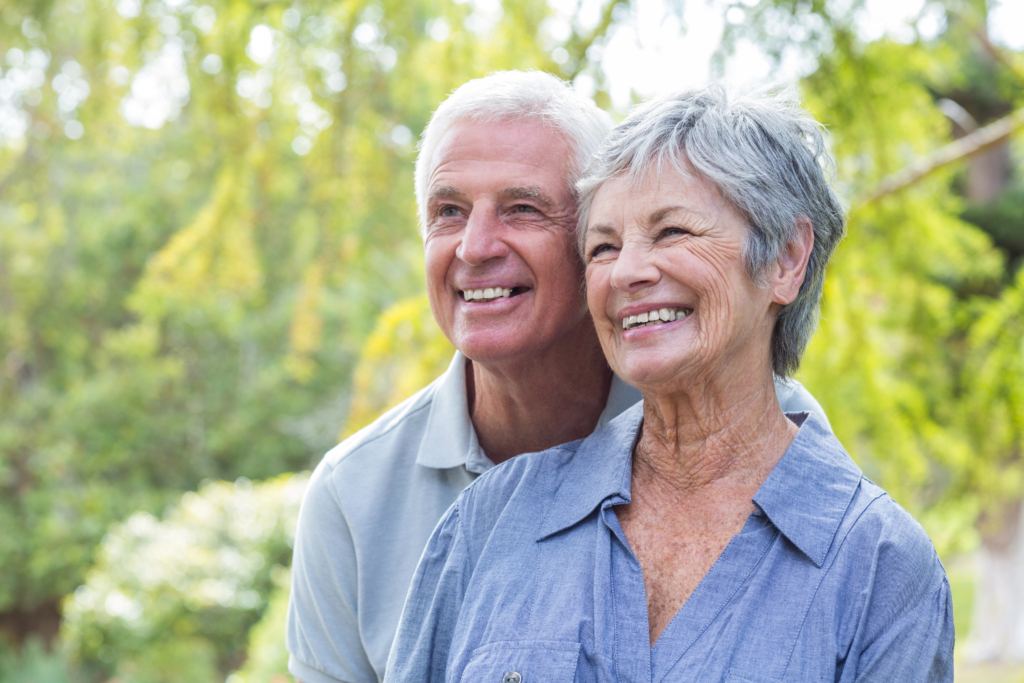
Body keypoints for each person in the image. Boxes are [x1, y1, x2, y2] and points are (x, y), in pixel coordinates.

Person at [385, 85, 953, 683]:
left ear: (785, 259)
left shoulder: (880, 567)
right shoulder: (492, 519)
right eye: (603, 247)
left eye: (672, 232)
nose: (627, 272)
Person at [286, 72, 830, 683]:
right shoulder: (351, 495)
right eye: (448, 212)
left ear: (593, 242)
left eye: (523, 208)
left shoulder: (770, 431)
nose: (474, 247)